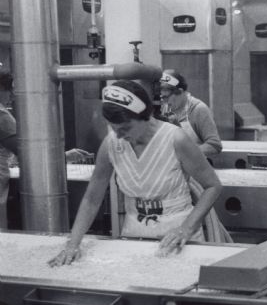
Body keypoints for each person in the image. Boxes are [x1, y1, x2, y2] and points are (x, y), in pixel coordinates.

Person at [48, 80, 223, 266]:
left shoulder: (175, 139)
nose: (120, 135)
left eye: (125, 128)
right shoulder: (111, 144)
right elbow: (92, 199)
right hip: (134, 236)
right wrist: (72, 244)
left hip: (178, 238)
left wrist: (186, 229)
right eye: (114, 129)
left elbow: (213, 186)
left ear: (145, 116)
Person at [0, 69, 92, 229]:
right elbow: (27, 154)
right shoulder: (2, 117)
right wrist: (63, 157)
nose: (12, 96)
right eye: (10, 90)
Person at [159, 69, 222, 157]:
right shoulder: (163, 109)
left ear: (180, 92)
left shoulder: (198, 110)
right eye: (161, 98)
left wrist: (187, 154)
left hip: (195, 167)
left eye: (166, 98)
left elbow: (214, 145)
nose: (164, 102)